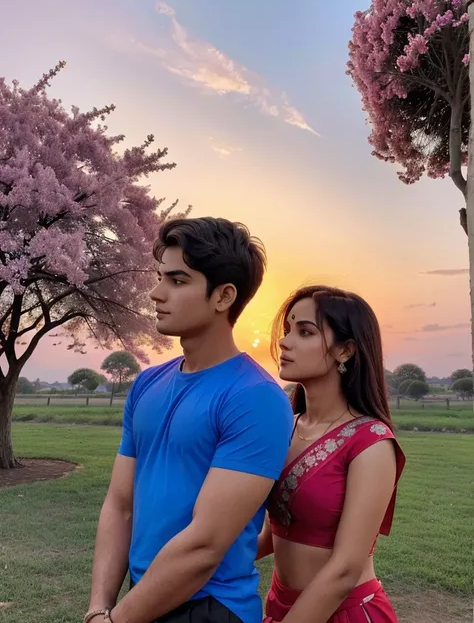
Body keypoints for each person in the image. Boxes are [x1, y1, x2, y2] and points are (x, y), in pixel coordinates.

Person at [84, 217, 293, 623]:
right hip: (136, 601)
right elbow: (120, 504)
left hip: (210, 607)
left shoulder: (256, 398)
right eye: (160, 277)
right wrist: (99, 609)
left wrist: (117, 621)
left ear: (223, 296)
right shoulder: (147, 384)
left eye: (177, 281)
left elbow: (204, 546)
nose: (156, 293)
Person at [258, 285, 405, 623]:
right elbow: (270, 536)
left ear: (345, 350)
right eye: (287, 330)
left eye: (305, 331)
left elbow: (344, 570)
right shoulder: (284, 428)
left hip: (345, 613)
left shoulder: (371, 442)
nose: (284, 342)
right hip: (280, 609)